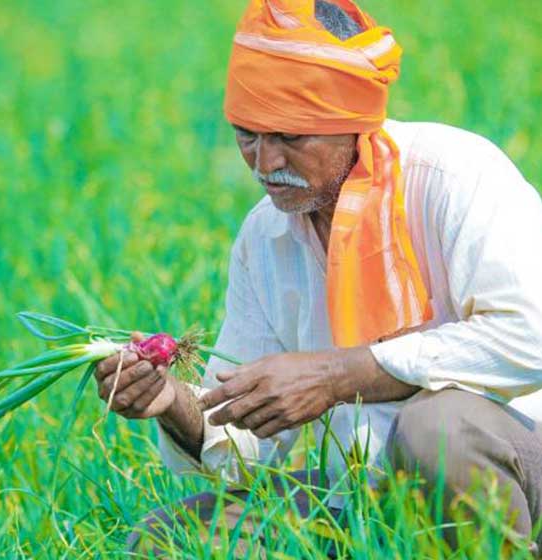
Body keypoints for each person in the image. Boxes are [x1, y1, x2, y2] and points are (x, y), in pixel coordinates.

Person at [94, 0, 542, 555]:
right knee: (173, 537)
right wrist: (173, 404)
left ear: (353, 124)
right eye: (246, 135)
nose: (264, 163)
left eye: (291, 137)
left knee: (437, 430)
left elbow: (531, 338)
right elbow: (245, 436)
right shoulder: (266, 236)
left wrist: (336, 376)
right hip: (364, 491)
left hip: (517, 467)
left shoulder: (455, 177)